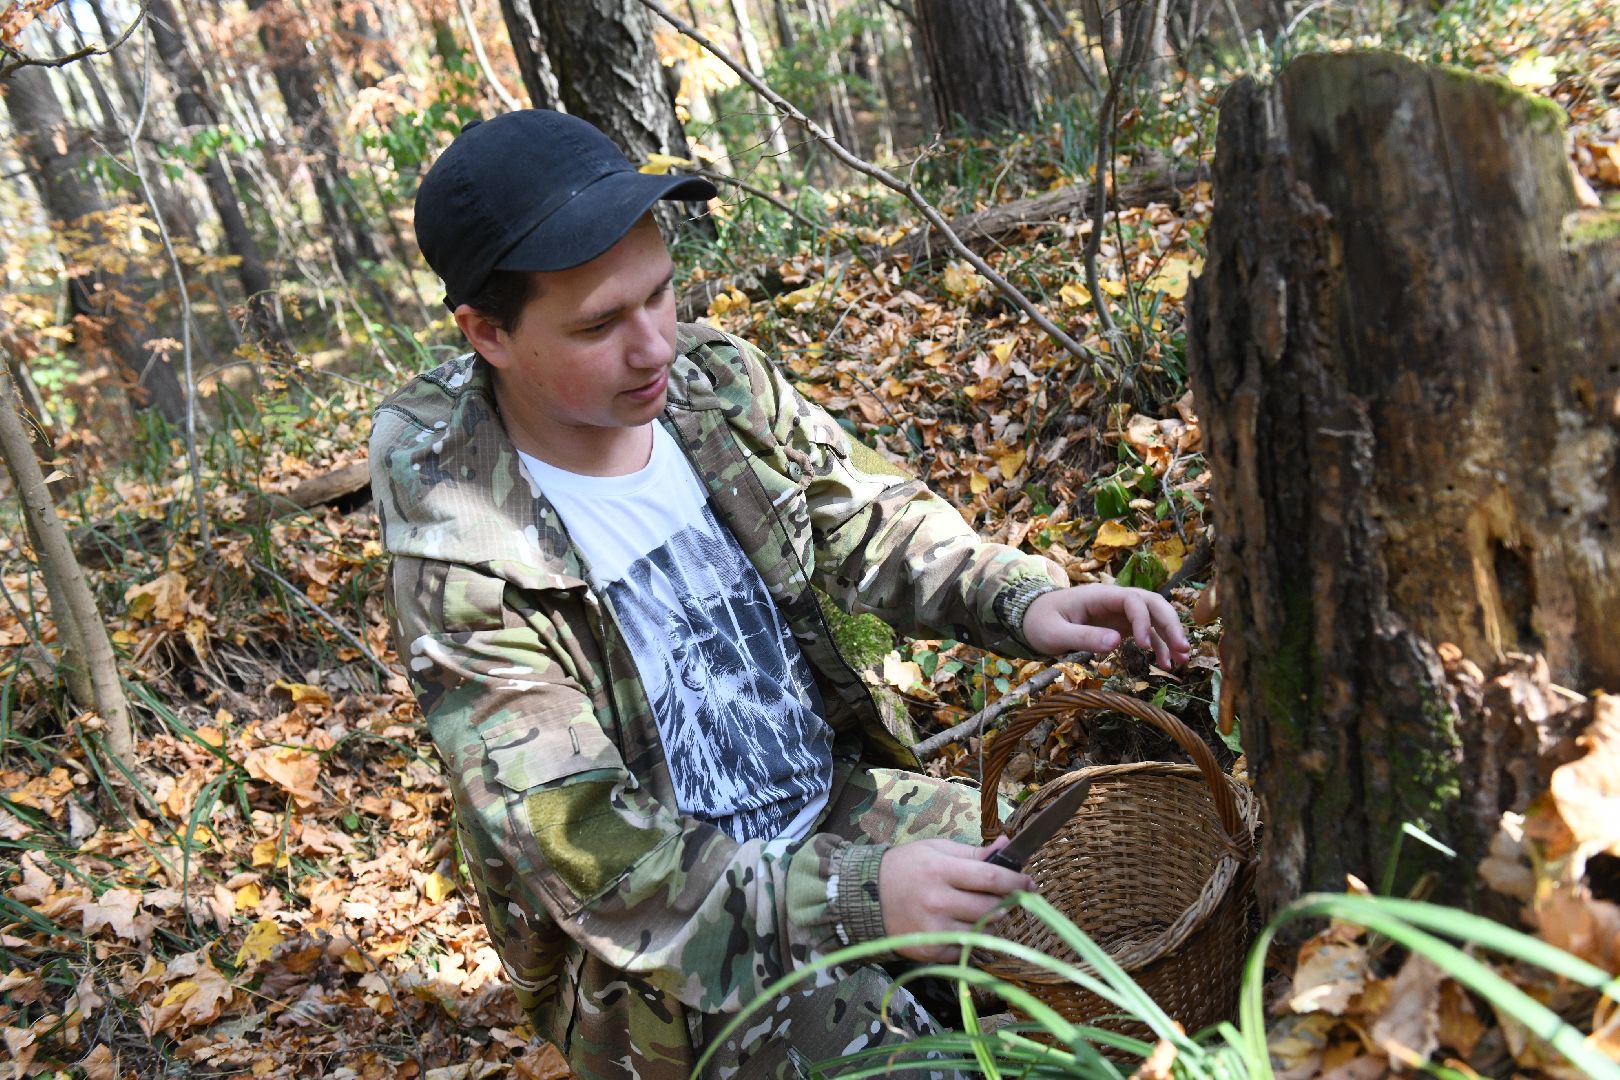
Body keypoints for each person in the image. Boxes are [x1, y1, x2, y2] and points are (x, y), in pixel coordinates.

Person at [369, 109, 1190, 1079]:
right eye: (599, 325)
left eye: (661, 294)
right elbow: (593, 858)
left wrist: (1018, 598)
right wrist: (858, 902)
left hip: (832, 808)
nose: (653, 347)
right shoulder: (467, 554)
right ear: (486, 334)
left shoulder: (712, 387)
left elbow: (866, 516)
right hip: (665, 943)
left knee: (1099, 904)